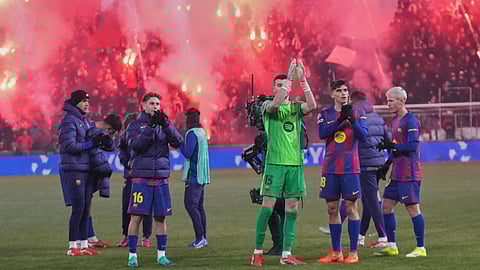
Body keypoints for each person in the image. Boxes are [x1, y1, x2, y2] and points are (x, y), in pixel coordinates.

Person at [249, 58, 317, 266]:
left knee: (292, 210)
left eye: (284, 85)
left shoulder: (296, 109)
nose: (282, 88)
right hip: (275, 164)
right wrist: (289, 79)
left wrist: (303, 80)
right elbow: (277, 102)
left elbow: (312, 105)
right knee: (268, 207)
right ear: (273, 88)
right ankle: (257, 253)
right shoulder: (268, 106)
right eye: (278, 85)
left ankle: (286, 255)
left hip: (295, 165)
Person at [125, 92, 183, 267]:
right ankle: (132, 256)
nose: (155, 107)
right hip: (141, 178)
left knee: (161, 218)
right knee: (136, 217)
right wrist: (150, 127)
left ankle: (161, 256)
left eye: (158, 104)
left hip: (160, 179)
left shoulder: (164, 124)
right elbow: (136, 146)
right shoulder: (134, 125)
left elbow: (178, 141)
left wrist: (165, 125)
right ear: (143, 105)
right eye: (152, 103)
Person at [317, 80, 367, 264]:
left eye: (345, 90)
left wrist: (352, 121)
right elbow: (322, 134)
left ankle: (353, 252)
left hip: (350, 167)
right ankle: (336, 252)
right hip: (330, 167)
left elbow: (363, 136)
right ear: (332, 94)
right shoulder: (325, 114)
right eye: (339, 91)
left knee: (351, 207)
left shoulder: (359, 113)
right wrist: (340, 120)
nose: (344, 93)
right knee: (331, 208)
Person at [374, 87, 426, 258]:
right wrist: (386, 165)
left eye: (391, 101)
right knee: (386, 207)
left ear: (402, 101)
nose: (388, 104)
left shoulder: (410, 121)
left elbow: (412, 146)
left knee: (412, 209)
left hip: (409, 172)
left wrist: (392, 146)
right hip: (396, 172)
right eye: (387, 100)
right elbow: (395, 147)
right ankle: (391, 246)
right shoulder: (395, 120)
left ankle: (420, 248)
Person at [59, 89, 109, 256]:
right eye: (83, 101)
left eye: (88, 101)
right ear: (75, 103)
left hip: (86, 168)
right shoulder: (68, 121)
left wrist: (100, 142)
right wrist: (91, 143)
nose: (87, 104)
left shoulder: (84, 121)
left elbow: (89, 142)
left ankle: (82, 245)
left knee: (85, 208)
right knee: (78, 207)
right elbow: (69, 146)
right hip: (74, 169)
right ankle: (72, 247)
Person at [350, 91, 389, 248]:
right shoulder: (378, 118)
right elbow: (387, 139)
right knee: (367, 200)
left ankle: (383, 236)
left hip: (364, 163)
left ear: (353, 101)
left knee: (371, 200)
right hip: (378, 163)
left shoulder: (357, 115)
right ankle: (361, 235)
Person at [117, 113, 153, 249]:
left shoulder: (144, 137)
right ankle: (127, 236)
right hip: (130, 177)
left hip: (144, 176)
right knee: (127, 207)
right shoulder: (125, 137)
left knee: (146, 208)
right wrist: (128, 164)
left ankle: (146, 237)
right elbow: (122, 154)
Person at [180, 108, 210, 249]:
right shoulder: (202, 132)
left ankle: (200, 238)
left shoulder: (191, 133)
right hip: (202, 174)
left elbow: (188, 153)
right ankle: (203, 237)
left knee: (190, 205)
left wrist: (180, 143)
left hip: (194, 175)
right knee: (199, 207)